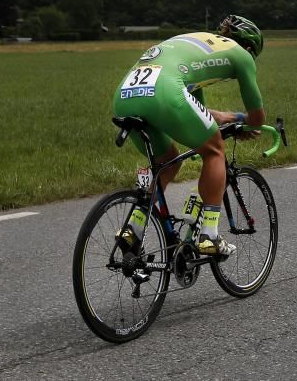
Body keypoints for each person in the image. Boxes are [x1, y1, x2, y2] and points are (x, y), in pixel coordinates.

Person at [112, 14, 267, 256]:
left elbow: (197, 110)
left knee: (168, 163)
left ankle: (133, 227)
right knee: (214, 149)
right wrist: (244, 122)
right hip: (165, 91)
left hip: (126, 95)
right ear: (248, 46)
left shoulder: (198, 41)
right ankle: (210, 236)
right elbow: (257, 118)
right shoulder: (241, 53)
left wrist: (229, 116)